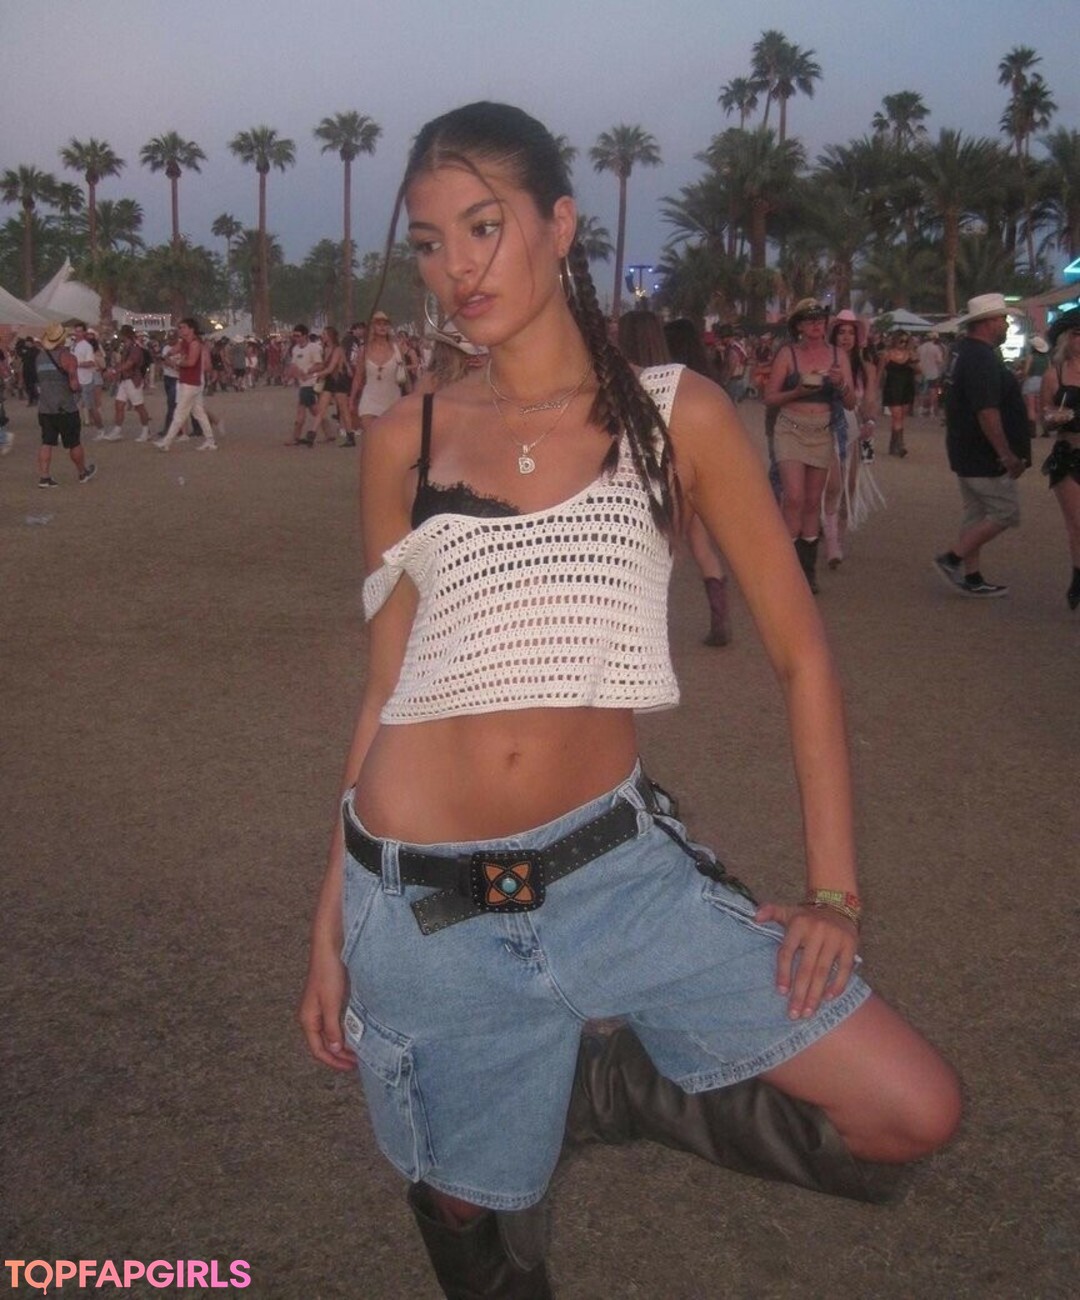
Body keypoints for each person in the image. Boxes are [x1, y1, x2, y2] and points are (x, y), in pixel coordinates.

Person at [297, 102, 960, 1300]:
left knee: (909, 1109)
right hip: (421, 902)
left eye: (485, 227)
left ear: (561, 225)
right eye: (432, 242)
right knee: (469, 1200)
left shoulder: (674, 412)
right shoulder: (404, 436)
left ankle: (597, 1087)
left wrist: (833, 893)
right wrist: (331, 923)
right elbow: (389, 682)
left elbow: (802, 654)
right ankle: (510, 1132)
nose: (457, 269)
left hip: (613, 875)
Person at [933, 293, 1028, 598]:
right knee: (1005, 512)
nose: (1006, 324)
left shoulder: (963, 352)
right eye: (1003, 319)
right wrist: (1006, 454)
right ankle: (952, 558)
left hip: (964, 447)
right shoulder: (981, 358)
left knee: (976, 514)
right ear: (988, 323)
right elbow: (987, 411)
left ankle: (972, 576)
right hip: (982, 452)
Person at [765, 299, 856, 593]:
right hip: (790, 429)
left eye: (820, 319)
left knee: (812, 501)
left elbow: (851, 402)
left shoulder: (838, 356)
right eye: (809, 320)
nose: (816, 324)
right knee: (793, 497)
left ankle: (807, 571)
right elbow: (770, 397)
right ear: (799, 326)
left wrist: (841, 385)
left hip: (822, 432)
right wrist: (796, 391)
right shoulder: (788, 354)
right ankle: (787, 569)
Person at [663, 316, 735, 645]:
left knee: (667, 548)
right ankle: (719, 616)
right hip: (705, 473)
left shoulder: (666, 385)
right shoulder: (708, 384)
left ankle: (651, 617)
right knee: (702, 546)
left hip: (675, 472)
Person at [822, 311, 881, 569]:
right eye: (841, 332)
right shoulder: (825, 361)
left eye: (850, 333)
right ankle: (831, 543)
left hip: (854, 430)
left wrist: (870, 422)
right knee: (833, 485)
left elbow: (870, 400)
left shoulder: (865, 367)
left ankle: (838, 539)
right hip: (826, 428)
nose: (846, 337)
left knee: (850, 486)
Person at [1037, 307, 1080, 610]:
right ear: (1067, 338)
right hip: (1070, 455)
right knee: (1077, 523)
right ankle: (1078, 576)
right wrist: (1056, 417)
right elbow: (1046, 417)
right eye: (1077, 334)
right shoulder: (1055, 374)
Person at [33, 322, 96, 488]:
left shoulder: (39, 358)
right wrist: (78, 389)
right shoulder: (68, 357)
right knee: (74, 442)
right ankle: (82, 472)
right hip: (65, 407)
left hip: (45, 407)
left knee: (46, 442)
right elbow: (74, 385)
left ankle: (44, 477)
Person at [156, 318, 222, 452]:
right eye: (180, 327)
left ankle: (166, 442)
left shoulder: (194, 344)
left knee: (180, 413)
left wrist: (176, 362)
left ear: (191, 329)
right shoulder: (184, 342)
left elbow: (191, 362)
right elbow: (172, 351)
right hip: (187, 381)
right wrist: (166, 356)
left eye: (183, 327)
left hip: (191, 382)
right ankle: (210, 440)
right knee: (198, 413)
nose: (180, 330)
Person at [351, 309, 408, 440]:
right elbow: (358, 376)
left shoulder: (397, 348)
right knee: (371, 438)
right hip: (369, 399)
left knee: (389, 439)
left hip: (392, 399)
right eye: (379, 324)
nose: (382, 327)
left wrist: (411, 397)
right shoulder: (364, 350)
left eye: (385, 324)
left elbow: (405, 375)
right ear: (373, 327)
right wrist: (352, 399)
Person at [102, 324, 152, 442]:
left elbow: (129, 364)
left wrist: (114, 371)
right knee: (119, 405)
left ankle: (146, 431)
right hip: (125, 380)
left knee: (139, 406)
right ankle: (117, 430)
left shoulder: (134, 348)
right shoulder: (126, 347)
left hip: (133, 380)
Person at [311, 325, 356, 446]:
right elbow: (329, 365)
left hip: (338, 380)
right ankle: (312, 434)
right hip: (330, 380)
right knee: (321, 408)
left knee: (343, 409)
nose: (322, 336)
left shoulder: (337, 349)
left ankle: (350, 435)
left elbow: (331, 368)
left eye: (324, 334)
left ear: (330, 336)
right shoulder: (326, 349)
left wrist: (316, 374)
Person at [880, 331, 918, 457]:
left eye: (906, 341)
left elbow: (919, 371)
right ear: (895, 340)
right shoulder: (886, 354)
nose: (903, 344)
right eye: (901, 341)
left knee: (901, 417)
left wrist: (913, 361)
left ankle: (893, 445)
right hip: (892, 388)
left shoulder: (910, 354)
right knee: (896, 416)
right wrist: (875, 389)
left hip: (906, 387)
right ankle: (900, 445)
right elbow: (880, 373)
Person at [286, 324, 323, 446]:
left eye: (298, 336)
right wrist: (290, 376)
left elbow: (319, 365)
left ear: (305, 335)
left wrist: (306, 372)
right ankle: (330, 433)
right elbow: (293, 365)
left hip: (311, 383)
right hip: (302, 383)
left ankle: (295, 437)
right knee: (315, 411)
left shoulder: (314, 348)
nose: (296, 338)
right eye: (294, 336)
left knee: (301, 411)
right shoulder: (295, 349)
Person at [71, 321, 105, 438]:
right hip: (75, 379)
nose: (78, 334)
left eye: (80, 331)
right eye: (76, 331)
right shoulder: (73, 345)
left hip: (86, 380)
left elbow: (91, 362)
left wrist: (77, 364)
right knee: (70, 406)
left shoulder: (87, 346)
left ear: (84, 332)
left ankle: (100, 429)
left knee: (90, 407)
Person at [916, 332, 945, 419]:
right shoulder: (936, 348)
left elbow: (916, 359)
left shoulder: (920, 348)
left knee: (922, 391)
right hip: (933, 372)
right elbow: (940, 361)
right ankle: (932, 410)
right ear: (935, 339)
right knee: (933, 391)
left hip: (921, 372)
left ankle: (920, 409)